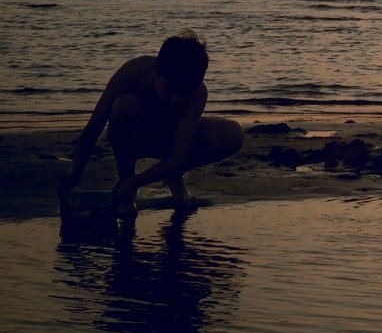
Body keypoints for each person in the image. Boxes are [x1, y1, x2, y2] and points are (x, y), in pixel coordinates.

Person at [59, 32, 244, 214]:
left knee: (232, 134)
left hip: (170, 138)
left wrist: (139, 181)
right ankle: (127, 193)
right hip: (133, 136)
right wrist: (76, 170)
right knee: (124, 105)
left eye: (184, 95)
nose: (175, 100)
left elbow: (178, 154)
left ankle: (173, 176)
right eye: (169, 90)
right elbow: (94, 126)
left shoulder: (198, 92)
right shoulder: (132, 73)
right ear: (155, 71)